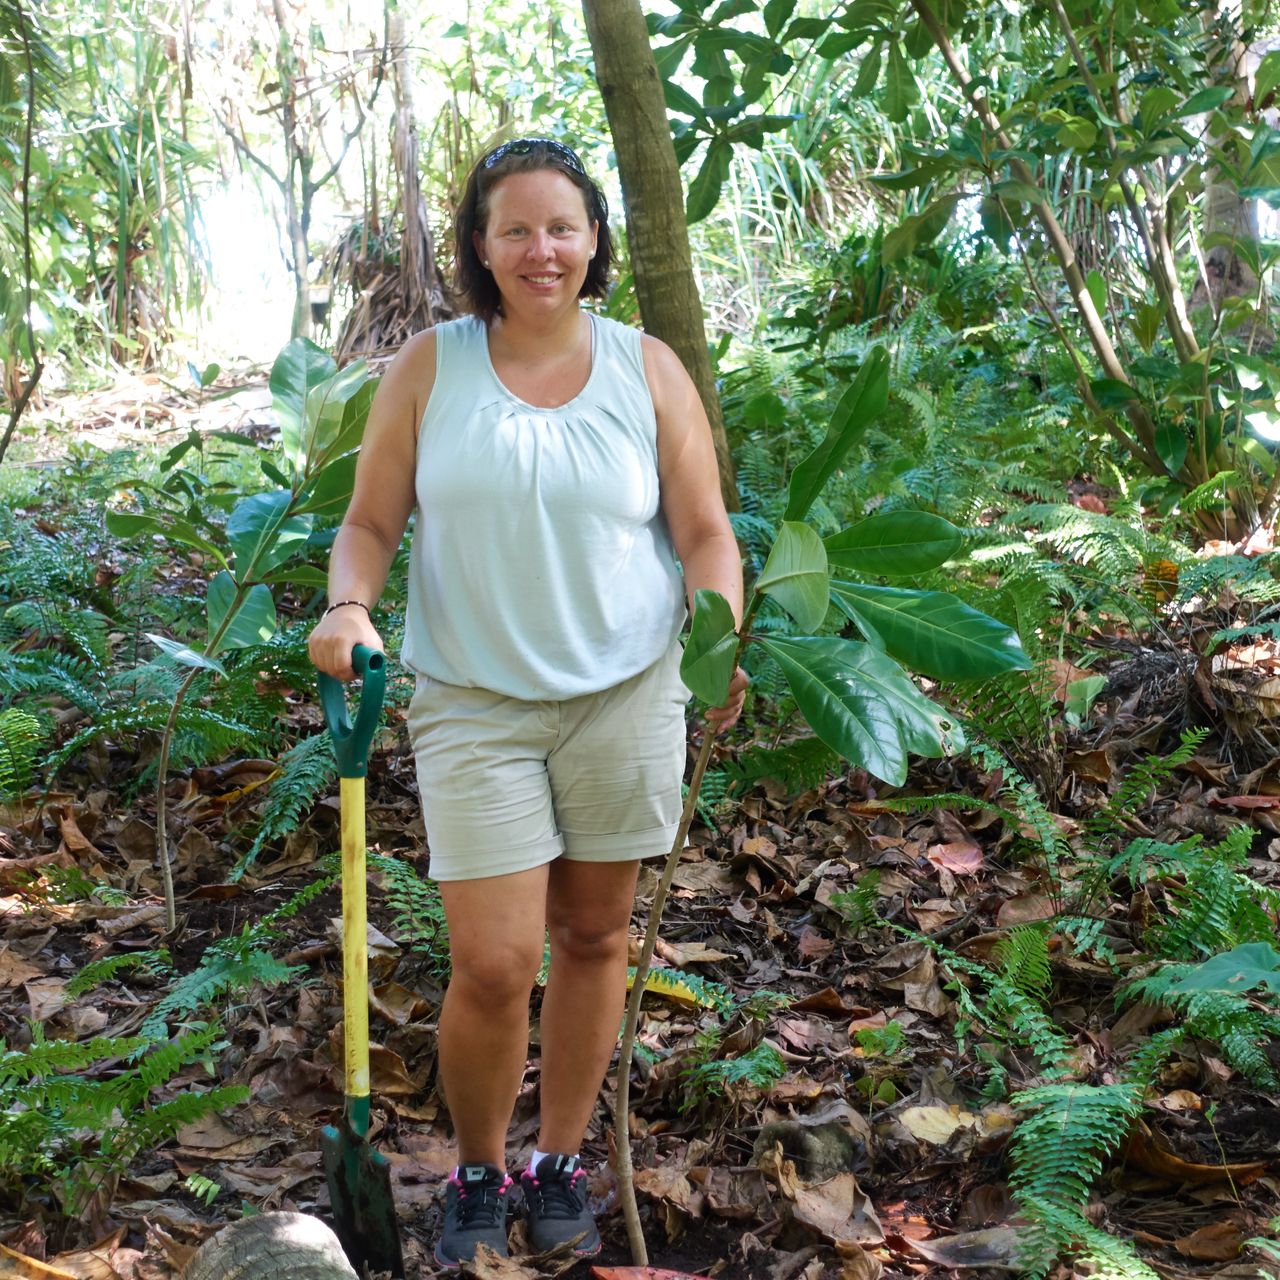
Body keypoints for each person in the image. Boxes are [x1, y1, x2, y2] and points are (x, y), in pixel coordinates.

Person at [308, 135, 746, 1267]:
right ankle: (476, 1169)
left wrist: (717, 636)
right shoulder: (428, 368)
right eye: (515, 229)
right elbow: (369, 522)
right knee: (496, 963)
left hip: (625, 690)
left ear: (594, 238)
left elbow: (705, 532)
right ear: (480, 244)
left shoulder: (647, 367)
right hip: (475, 700)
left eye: (561, 227)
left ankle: (557, 1162)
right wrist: (350, 607)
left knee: (593, 936)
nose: (540, 249)